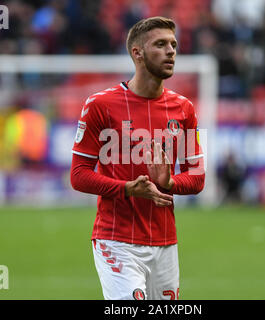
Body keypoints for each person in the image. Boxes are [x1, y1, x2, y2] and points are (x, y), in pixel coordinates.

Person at [70, 17, 205, 300]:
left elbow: (197, 176)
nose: (171, 51)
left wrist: (169, 182)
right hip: (116, 239)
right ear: (137, 53)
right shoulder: (99, 105)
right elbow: (79, 174)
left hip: (165, 242)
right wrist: (128, 189)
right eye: (160, 44)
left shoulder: (185, 109)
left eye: (173, 45)